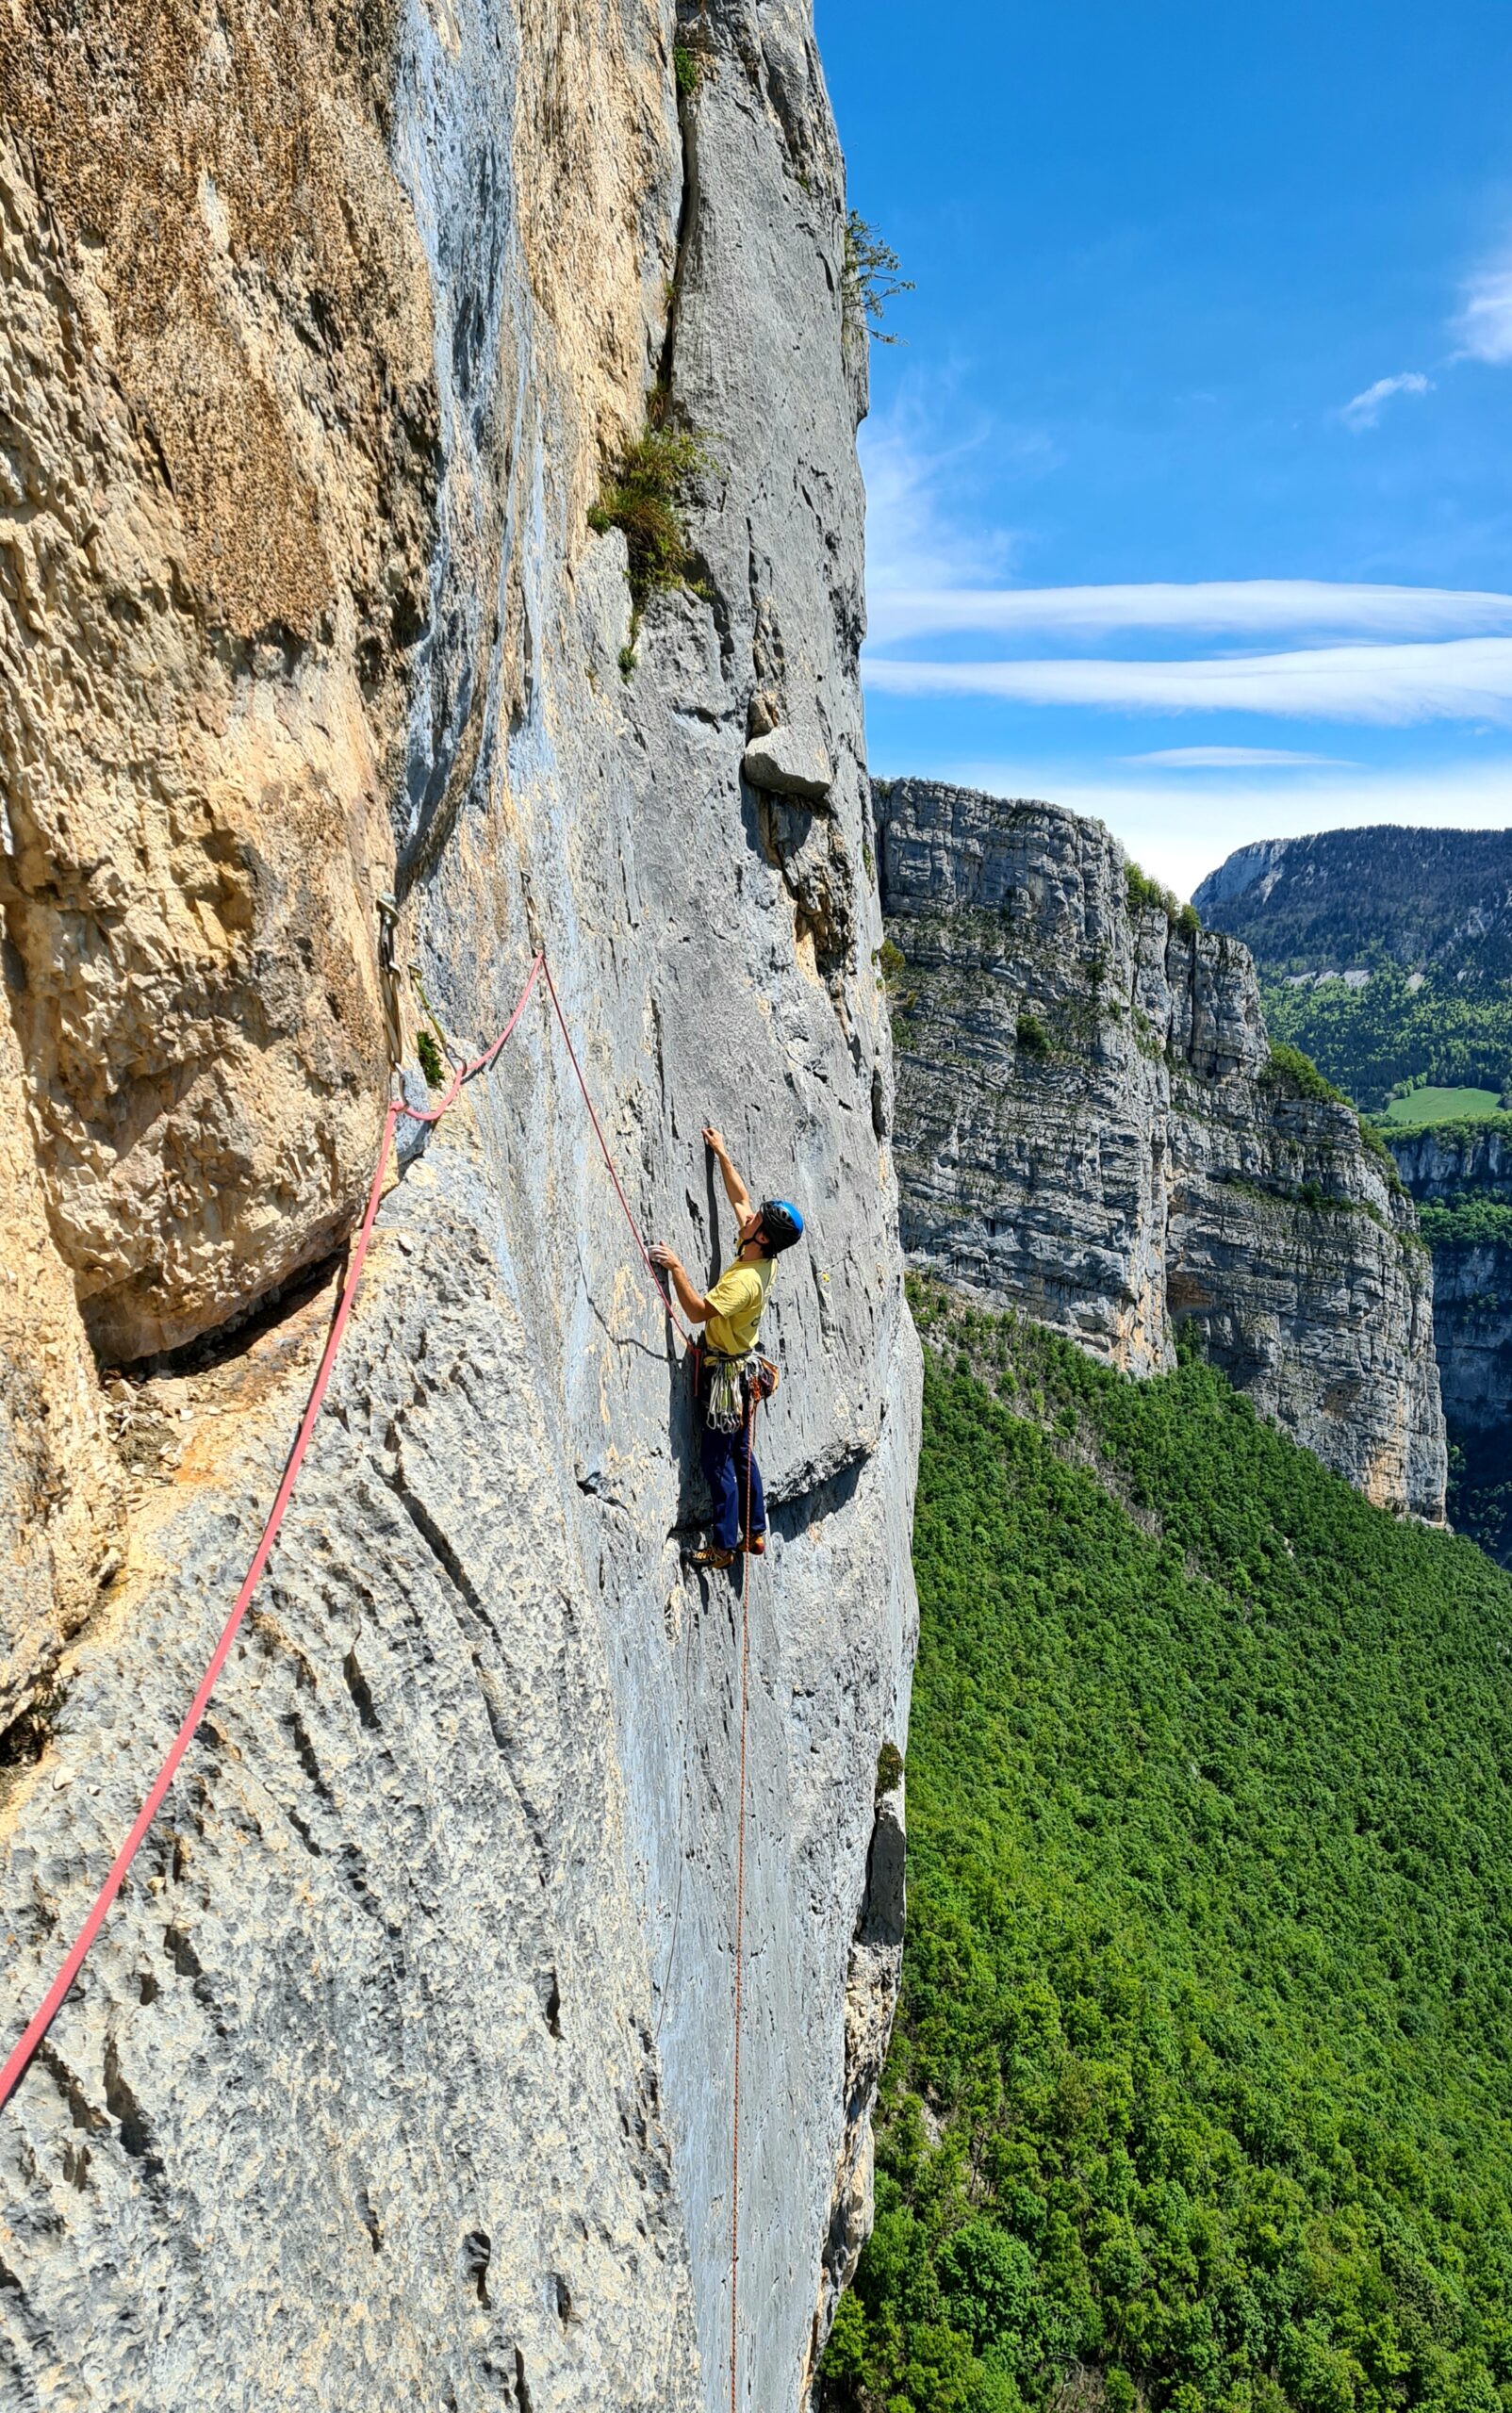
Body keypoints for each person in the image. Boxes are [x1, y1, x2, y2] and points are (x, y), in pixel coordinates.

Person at [649, 1128, 804, 1569]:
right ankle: (755, 1532)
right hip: (744, 1367)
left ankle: (722, 1547)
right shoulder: (763, 1253)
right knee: (741, 1452)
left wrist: (676, 1267)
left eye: (758, 1220)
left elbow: (698, 1312)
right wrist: (722, 1154)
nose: (750, 1216)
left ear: (763, 1238)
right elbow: (740, 1199)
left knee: (717, 1460)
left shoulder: (744, 1282)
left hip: (726, 1377)